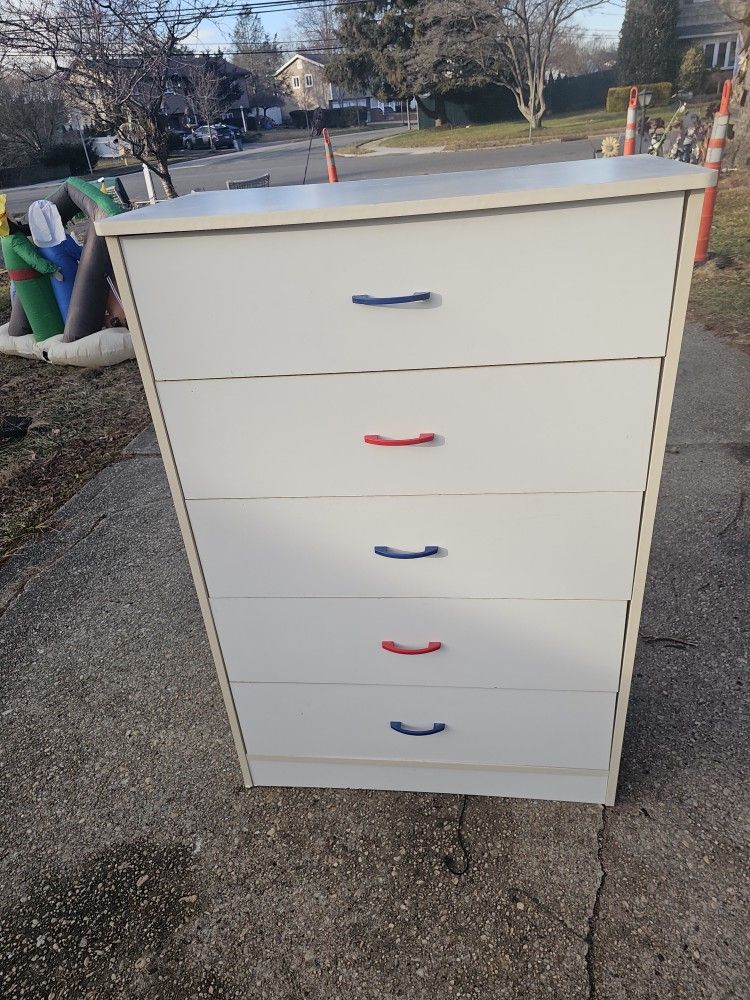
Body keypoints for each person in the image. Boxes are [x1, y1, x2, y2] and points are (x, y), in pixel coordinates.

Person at [0, 194, 64, 341]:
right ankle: (23, 328)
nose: (10, 213)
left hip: (20, 280)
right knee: (35, 308)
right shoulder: (15, 240)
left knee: (18, 296)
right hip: (31, 283)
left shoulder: (6, 238)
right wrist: (52, 268)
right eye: (7, 213)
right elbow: (33, 259)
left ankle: (19, 326)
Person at [27, 199, 82, 321]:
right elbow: (81, 254)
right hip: (74, 283)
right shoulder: (63, 240)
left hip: (57, 288)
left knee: (65, 308)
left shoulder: (39, 246)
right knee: (78, 307)